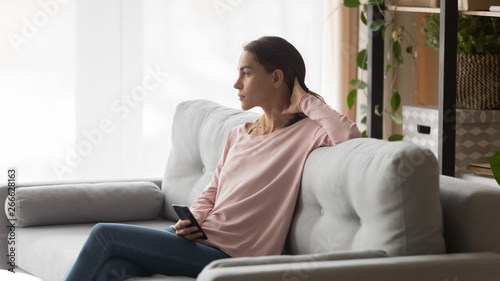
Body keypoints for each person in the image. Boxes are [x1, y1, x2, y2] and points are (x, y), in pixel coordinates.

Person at [63, 36, 361, 281]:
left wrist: (305, 99)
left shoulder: (306, 133)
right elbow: (212, 191)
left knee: (104, 234)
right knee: (112, 269)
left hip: (231, 255)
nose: (236, 84)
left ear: (277, 77)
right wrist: (192, 222)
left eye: (246, 73)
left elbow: (348, 135)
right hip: (197, 239)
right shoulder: (238, 134)